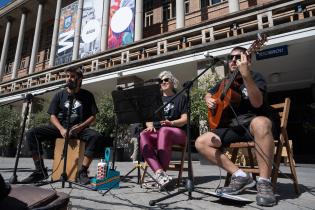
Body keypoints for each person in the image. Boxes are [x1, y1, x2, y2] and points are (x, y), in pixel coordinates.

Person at [195, 46, 280, 207]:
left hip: (255, 127)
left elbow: (257, 102)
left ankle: (264, 182)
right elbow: (209, 92)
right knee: (201, 142)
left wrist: (246, 76)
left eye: (237, 57)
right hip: (234, 128)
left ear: (247, 60)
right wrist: (208, 98)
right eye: (230, 57)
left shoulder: (256, 77)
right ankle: (240, 176)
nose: (233, 60)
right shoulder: (224, 81)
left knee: (260, 122)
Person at [22, 67, 103, 185]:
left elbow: (93, 116)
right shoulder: (59, 95)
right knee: (31, 133)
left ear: (79, 79)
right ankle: (40, 171)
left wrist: (80, 127)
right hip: (60, 128)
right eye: (67, 76)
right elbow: (52, 116)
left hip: (79, 129)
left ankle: (82, 172)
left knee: (96, 136)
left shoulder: (87, 95)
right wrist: (61, 129)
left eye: (72, 76)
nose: (68, 79)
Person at [140, 71, 188, 188]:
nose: (163, 82)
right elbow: (148, 119)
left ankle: (161, 176)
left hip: (177, 132)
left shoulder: (181, 98)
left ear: (172, 82)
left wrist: (171, 122)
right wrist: (150, 126)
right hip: (158, 133)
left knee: (164, 130)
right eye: (161, 81)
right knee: (143, 135)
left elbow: (185, 119)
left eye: (166, 80)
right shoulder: (156, 101)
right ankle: (160, 174)